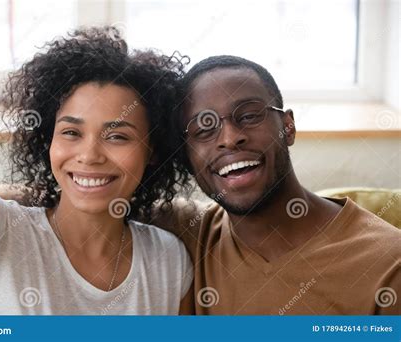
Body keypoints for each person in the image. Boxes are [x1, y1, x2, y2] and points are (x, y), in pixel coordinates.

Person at [0, 27, 194, 315]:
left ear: (152, 149)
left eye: (117, 136)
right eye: (70, 132)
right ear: (48, 139)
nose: (89, 156)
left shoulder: (170, 260)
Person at [150, 55, 400, 315]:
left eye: (248, 116)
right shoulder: (187, 232)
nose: (230, 138)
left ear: (288, 127)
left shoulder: (388, 265)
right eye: (203, 129)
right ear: (185, 157)